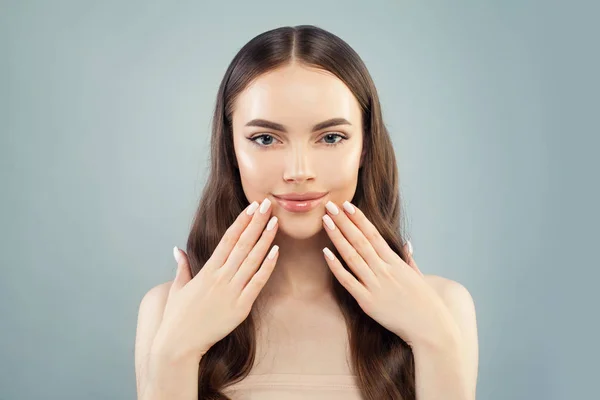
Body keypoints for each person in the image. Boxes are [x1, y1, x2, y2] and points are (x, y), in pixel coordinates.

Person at [134, 25, 479, 400]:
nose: (299, 170)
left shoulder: (444, 308)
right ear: (231, 149)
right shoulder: (166, 311)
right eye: (265, 139)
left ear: (365, 147)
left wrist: (435, 342)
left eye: (331, 138)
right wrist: (176, 353)